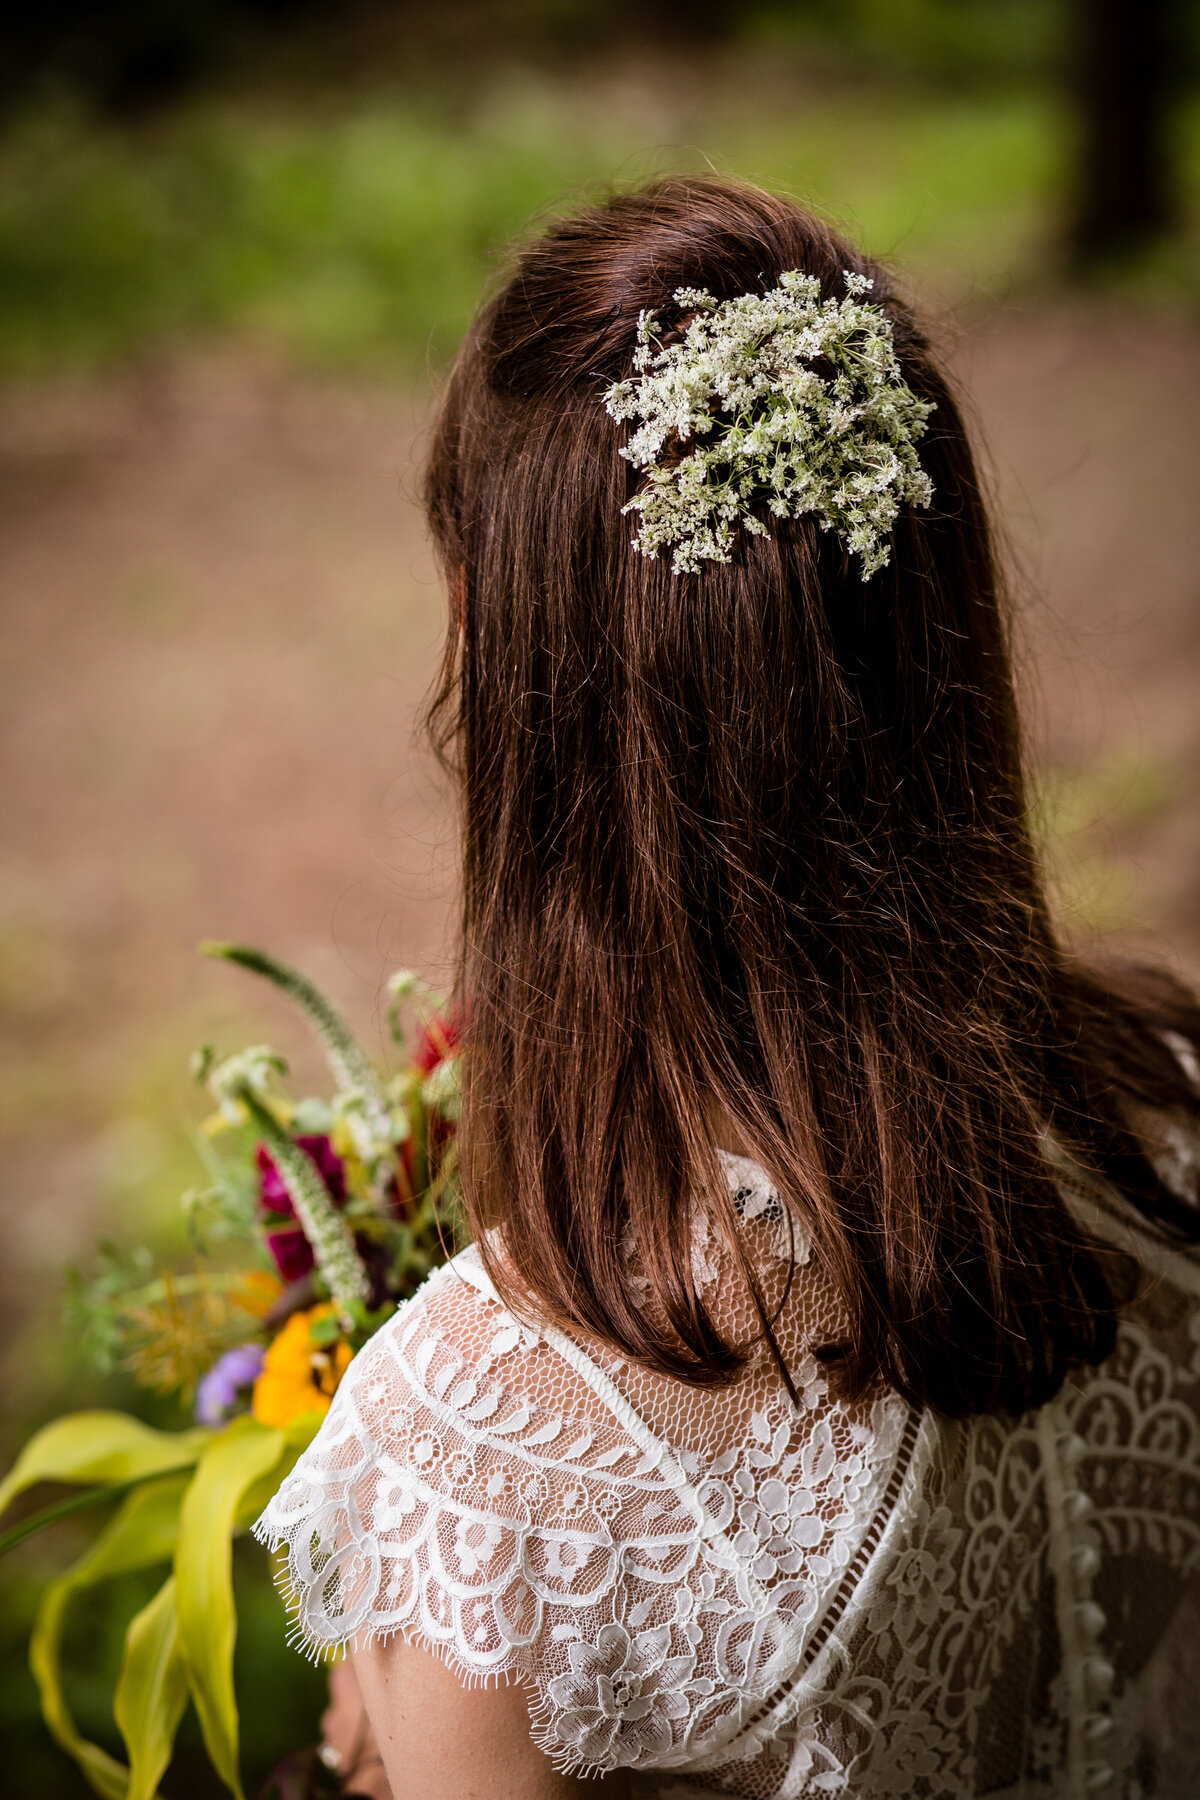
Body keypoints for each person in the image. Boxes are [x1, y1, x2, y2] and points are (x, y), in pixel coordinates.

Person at [254, 178, 1200, 1799]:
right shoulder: (1170, 1114)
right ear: (929, 622)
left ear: (518, 684)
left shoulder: (493, 1457)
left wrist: (378, 1750)